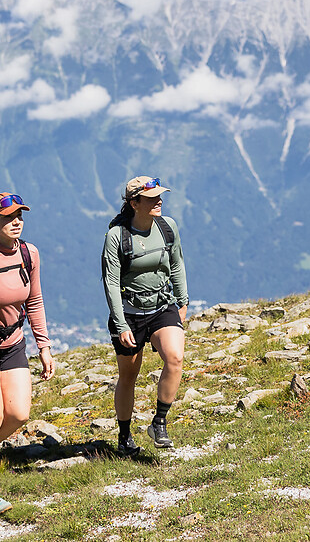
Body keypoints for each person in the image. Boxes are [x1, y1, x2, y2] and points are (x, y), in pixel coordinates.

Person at [102, 176, 188, 455]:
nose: (159, 201)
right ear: (134, 203)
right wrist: (120, 324)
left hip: (162, 306)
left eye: (159, 196)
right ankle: (124, 436)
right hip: (130, 314)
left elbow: (177, 263)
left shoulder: (167, 227)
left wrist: (183, 300)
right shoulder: (117, 236)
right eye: (151, 198)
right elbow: (111, 283)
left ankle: (159, 422)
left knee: (175, 358)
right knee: (128, 376)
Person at [0, 192, 55, 515]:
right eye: (8, 217)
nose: (16, 221)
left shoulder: (28, 254)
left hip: (13, 343)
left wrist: (44, 346)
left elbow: (34, 301)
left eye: (19, 215)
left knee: (18, 414)